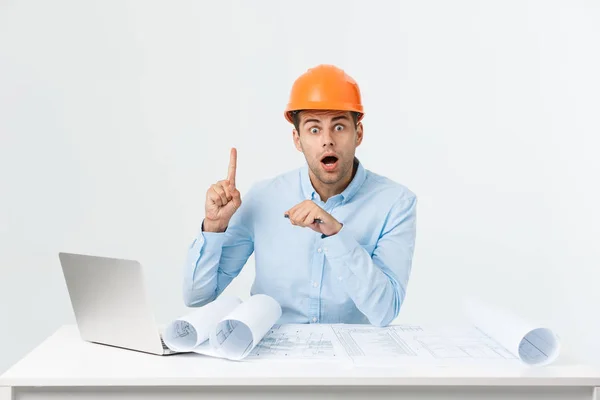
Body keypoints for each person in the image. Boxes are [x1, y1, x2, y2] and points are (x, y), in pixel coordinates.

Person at [182, 64, 417, 327]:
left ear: (358, 133)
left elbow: (385, 311)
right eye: (314, 130)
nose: (327, 140)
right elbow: (198, 297)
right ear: (297, 139)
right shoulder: (263, 198)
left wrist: (336, 235)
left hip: (349, 363)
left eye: (339, 127)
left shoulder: (395, 203)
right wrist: (214, 227)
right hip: (272, 361)